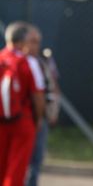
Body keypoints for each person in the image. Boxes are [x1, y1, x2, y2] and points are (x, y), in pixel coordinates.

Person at [0, 21, 45, 186]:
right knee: (17, 168)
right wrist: (38, 119)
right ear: (23, 41)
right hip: (23, 120)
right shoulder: (28, 62)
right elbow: (38, 95)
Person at [24, 27, 60, 186]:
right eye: (32, 41)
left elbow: (53, 88)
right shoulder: (17, 62)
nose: (36, 46)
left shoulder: (43, 61)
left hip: (40, 117)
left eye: (37, 42)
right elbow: (37, 94)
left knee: (36, 159)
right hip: (25, 117)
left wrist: (51, 113)